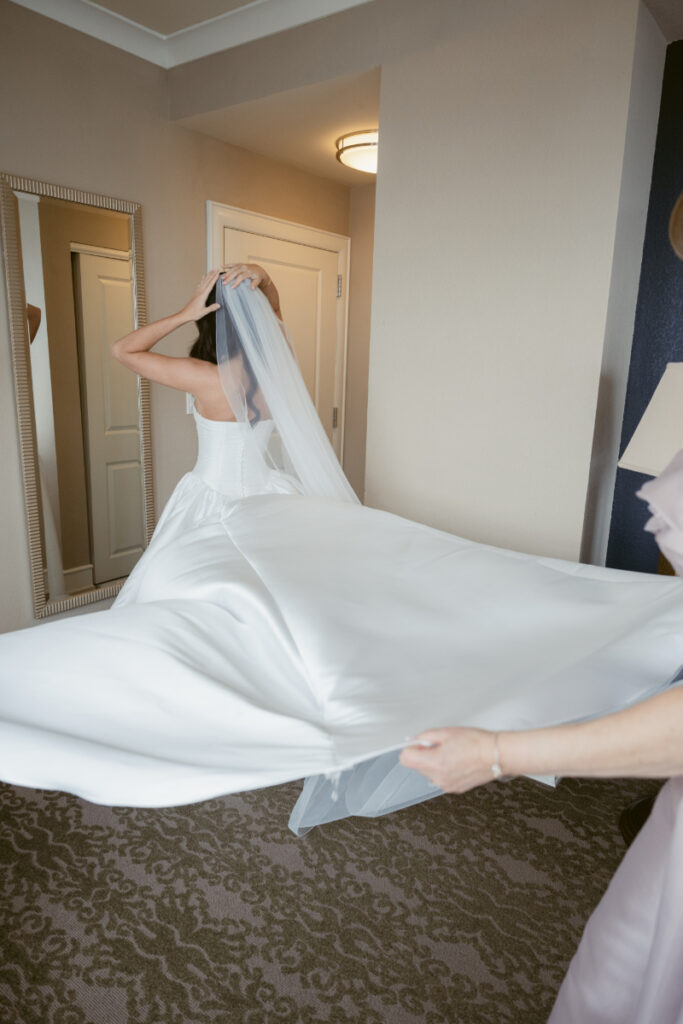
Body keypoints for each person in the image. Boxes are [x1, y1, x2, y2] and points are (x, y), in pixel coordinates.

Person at [0, 265, 683, 842]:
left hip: (217, 503)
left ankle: (179, 710)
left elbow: (123, 350)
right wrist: (261, 297)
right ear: (265, 320)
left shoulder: (204, 378)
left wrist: (184, 309)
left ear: (214, 315)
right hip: (273, 496)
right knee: (308, 602)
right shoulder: (273, 369)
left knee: (192, 610)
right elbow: (264, 329)